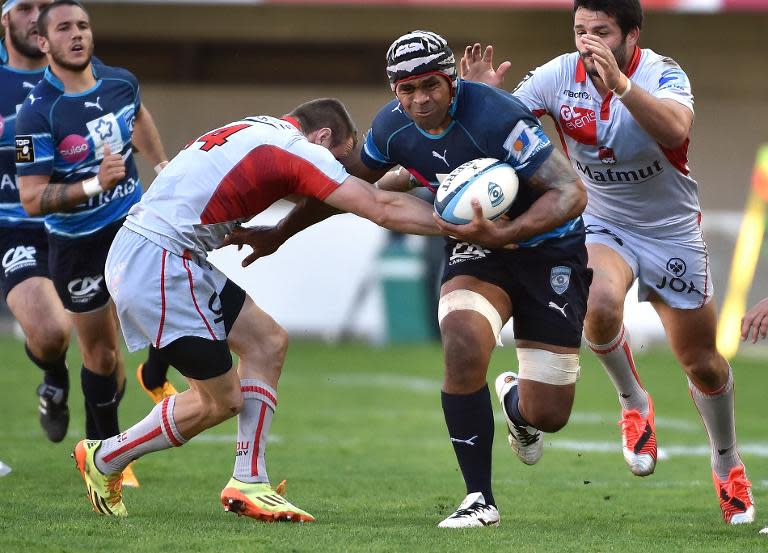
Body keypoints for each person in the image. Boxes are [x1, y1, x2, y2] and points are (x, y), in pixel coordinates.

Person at [234, 30, 591, 528]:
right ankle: (479, 499)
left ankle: (515, 400)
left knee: (550, 412)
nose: (420, 100)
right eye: (407, 90)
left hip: (549, 248)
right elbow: (344, 186)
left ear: (450, 80)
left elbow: (571, 192)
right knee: (462, 340)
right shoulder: (391, 128)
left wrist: (511, 233)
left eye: (430, 86)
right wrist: (280, 231)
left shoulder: (497, 116)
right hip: (476, 248)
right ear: (394, 91)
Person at [71, 98, 442, 520]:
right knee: (220, 400)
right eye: (337, 158)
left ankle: (249, 480)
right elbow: (378, 207)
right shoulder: (296, 149)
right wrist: (464, 225)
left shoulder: (262, 130)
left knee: (267, 342)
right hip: (158, 261)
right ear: (322, 137)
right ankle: (106, 458)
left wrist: (411, 180)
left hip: (165, 256)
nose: (336, 169)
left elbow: (361, 189)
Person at [462, 0, 754, 524]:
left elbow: (673, 130)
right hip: (600, 219)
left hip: (670, 229)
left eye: (601, 30)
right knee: (596, 303)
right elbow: (505, 132)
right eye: (580, 30)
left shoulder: (663, 73)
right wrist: (485, 97)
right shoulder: (557, 76)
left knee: (703, 363)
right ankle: (633, 402)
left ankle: (726, 459)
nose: (588, 40)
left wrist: (620, 84)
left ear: (631, 35)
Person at [14, 0, 174, 483]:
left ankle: (156, 372)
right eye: (64, 28)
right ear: (44, 43)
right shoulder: (34, 115)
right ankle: (104, 456)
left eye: (83, 25)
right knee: (102, 357)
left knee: (173, 298)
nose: (77, 34)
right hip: (77, 244)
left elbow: (138, 115)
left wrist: (162, 165)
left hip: (132, 224)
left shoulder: (120, 82)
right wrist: (93, 186)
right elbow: (31, 199)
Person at [1, 0, 72, 443]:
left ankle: (112, 454)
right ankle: (55, 376)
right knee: (48, 333)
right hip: (13, 225)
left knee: (82, 342)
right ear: (4, 17)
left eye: (45, 7)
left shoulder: (78, 71)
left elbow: (130, 112)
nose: (36, 16)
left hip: (72, 221)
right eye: (25, 7)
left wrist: (160, 162)